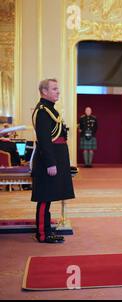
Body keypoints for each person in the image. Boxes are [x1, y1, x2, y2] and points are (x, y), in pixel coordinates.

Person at [31, 79, 75, 243]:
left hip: (56, 158)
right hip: (47, 162)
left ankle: (47, 231)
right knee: (44, 198)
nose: (58, 92)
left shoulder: (50, 110)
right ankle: (42, 234)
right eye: (54, 89)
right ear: (44, 91)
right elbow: (44, 140)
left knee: (48, 197)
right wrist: (50, 163)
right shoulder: (42, 111)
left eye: (58, 88)